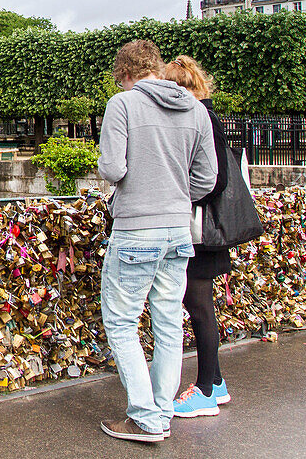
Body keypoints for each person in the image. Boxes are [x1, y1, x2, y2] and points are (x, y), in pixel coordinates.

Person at [97, 40, 217, 443]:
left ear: (126, 74)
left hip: (136, 230)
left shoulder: (123, 104)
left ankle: (145, 418)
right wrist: (176, 196)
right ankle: (162, 411)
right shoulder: (195, 108)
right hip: (179, 230)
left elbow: (113, 168)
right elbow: (207, 178)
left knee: (121, 321)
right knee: (168, 321)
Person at [161, 56, 232, 417]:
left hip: (201, 230)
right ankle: (215, 382)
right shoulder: (205, 115)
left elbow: (215, 180)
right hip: (205, 229)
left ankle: (205, 390)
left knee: (200, 306)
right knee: (202, 306)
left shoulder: (201, 118)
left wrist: (176, 194)